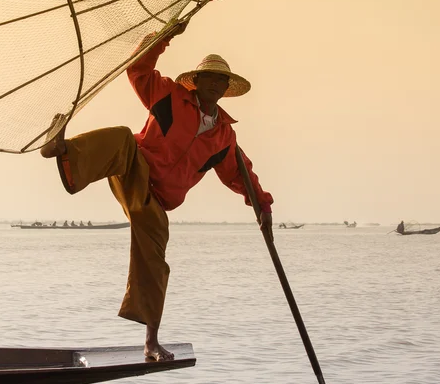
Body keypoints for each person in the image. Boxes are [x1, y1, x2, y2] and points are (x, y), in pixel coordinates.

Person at [40, 24, 273, 361]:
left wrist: (262, 207)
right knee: (122, 136)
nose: (212, 83)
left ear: (225, 88)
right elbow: (137, 68)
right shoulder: (170, 95)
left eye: (218, 80)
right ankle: (63, 151)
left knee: (156, 261)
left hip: (159, 199)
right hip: (134, 166)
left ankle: (151, 342)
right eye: (206, 77)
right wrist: (164, 37)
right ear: (197, 81)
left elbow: (242, 175)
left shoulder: (224, 137)